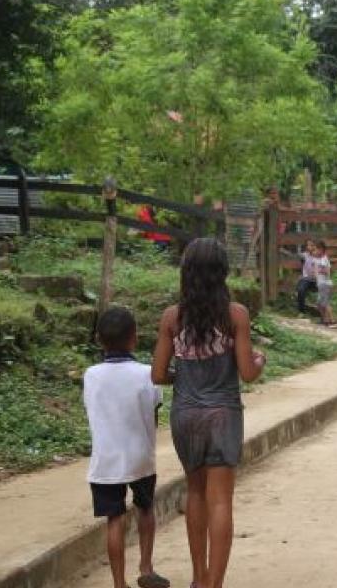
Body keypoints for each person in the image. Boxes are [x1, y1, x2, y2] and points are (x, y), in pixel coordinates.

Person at [152, 238, 265, 588]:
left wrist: (183, 375)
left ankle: (198, 578)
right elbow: (247, 372)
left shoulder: (173, 318)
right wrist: (261, 360)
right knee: (221, 501)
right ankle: (214, 583)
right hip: (223, 416)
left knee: (195, 493)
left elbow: (157, 374)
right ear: (222, 274)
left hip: (186, 415)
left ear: (186, 273)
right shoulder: (236, 315)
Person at [84, 307, 171, 588]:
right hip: (140, 457)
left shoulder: (91, 375)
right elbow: (154, 411)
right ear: (134, 338)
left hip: (106, 461)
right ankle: (146, 569)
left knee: (114, 519)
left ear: (99, 339)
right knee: (145, 510)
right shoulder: (147, 373)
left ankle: (119, 583)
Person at [312, 240, 337, 328]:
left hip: (325, 283)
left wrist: (317, 271)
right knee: (320, 303)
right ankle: (325, 319)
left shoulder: (323, 259)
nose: (314, 251)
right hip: (321, 283)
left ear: (321, 250)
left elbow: (327, 272)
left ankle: (331, 320)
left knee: (325, 303)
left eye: (316, 250)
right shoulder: (319, 259)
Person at [294, 239, 319, 314]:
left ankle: (321, 311)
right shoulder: (305, 255)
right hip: (306, 279)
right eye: (307, 245)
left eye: (311, 245)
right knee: (300, 290)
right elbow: (295, 255)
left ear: (315, 246)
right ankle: (301, 311)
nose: (309, 247)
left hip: (317, 279)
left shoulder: (320, 256)